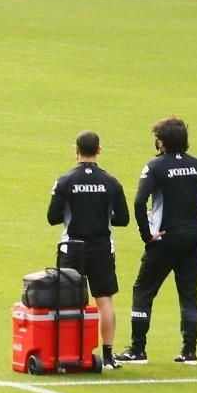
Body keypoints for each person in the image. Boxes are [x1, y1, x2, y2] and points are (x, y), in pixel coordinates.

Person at [115, 118, 197, 366]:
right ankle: (189, 351)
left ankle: (138, 349)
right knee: (188, 293)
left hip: (166, 239)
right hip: (193, 237)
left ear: (162, 141)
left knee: (143, 290)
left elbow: (139, 202)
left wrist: (147, 235)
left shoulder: (155, 167)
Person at [48, 131, 131, 369]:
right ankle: (107, 356)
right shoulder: (111, 182)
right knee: (104, 300)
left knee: (67, 302)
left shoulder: (65, 181)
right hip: (102, 247)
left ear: (76, 150)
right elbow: (123, 219)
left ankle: (65, 354)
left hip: (71, 247)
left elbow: (52, 217)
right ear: (99, 150)